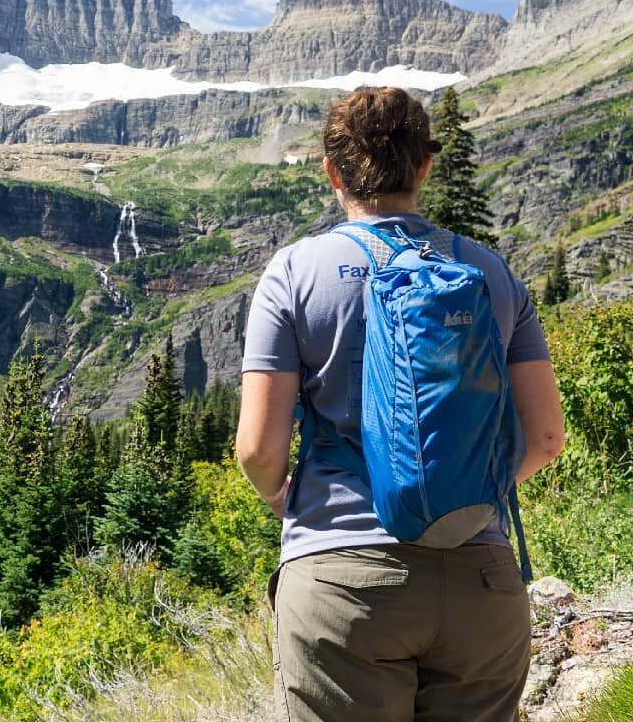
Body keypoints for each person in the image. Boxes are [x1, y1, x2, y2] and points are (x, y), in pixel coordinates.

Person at [235, 86, 565, 722]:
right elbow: (546, 438)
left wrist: (288, 500)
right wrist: (470, 490)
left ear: (332, 171)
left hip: (341, 578)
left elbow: (258, 447)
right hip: (480, 579)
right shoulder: (490, 272)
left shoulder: (295, 271)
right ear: (424, 167)